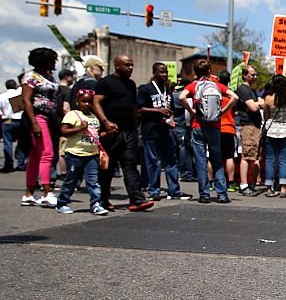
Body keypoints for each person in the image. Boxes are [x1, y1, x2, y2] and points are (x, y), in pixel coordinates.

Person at [93, 54, 153, 212]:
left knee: (130, 165)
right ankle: (103, 200)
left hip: (129, 132)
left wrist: (135, 126)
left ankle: (137, 199)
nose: (130, 68)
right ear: (117, 66)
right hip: (112, 132)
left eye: (132, 65)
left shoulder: (131, 84)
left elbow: (133, 106)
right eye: (127, 65)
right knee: (108, 168)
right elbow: (96, 103)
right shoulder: (105, 83)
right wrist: (105, 122)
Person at [180, 59, 237, 204]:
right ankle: (222, 194)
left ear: (195, 72)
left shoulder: (193, 85)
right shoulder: (218, 86)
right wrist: (223, 110)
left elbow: (181, 97)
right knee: (217, 160)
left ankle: (204, 194)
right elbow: (234, 97)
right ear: (209, 71)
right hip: (215, 126)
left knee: (200, 161)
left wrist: (191, 110)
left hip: (198, 125)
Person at [137, 62, 190, 201]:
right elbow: (139, 109)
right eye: (161, 72)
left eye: (165, 72)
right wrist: (157, 110)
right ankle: (154, 190)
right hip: (150, 130)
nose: (164, 75)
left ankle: (174, 190)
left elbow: (171, 109)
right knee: (153, 161)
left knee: (171, 160)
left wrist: (171, 118)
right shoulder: (146, 89)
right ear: (154, 72)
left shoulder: (167, 90)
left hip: (165, 130)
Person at [54, 89, 107, 215]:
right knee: (71, 179)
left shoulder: (94, 116)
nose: (87, 104)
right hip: (75, 154)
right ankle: (62, 202)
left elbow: (96, 134)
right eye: (84, 101)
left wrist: (105, 134)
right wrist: (80, 128)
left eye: (89, 102)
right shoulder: (73, 115)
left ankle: (96, 203)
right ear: (77, 102)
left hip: (92, 154)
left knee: (93, 181)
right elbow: (64, 131)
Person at [20, 48, 61, 207]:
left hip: (50, 118)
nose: (54, 63)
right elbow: (26, 100)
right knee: (47, 154)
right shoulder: (31, 76)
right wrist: (34, 123)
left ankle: (29, 193)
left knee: (36, 156)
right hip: (37, 117)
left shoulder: (50, 77)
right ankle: (47, 192)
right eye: (52, 60)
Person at [262, 74, 286, 198]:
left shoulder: (269, 98)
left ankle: (269, 188)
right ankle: (283, 188)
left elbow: (266, 116)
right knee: (284, 160)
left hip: (271, 130)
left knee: (270, 159)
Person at [235, 65, 264, 196]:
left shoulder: (251, 90)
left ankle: (250, 183)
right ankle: (244, 184)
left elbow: (259, 103)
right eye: (252, 74)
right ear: (245, 75)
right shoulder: (243, 89)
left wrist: (258, 104)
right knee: (247, 155)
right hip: (248, 126)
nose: (255, 77)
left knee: (254, 155)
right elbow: (253, 107)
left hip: (255, 126)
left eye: (255, 74)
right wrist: (258, 104)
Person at [217, 70, 239, 193]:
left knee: (213, 156)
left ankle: (211, 182)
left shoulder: (215, 94)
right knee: (229, 156)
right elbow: (235, 113)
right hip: (229, 128)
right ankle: (230, 182)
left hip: (216, 127)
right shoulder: (231, 96)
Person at [2, 79, 22, 172]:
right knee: (21, 142)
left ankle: (9, 163)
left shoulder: (2, 96)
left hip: (7, 121)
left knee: (7, 143)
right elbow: (19, 109)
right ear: (15, 85)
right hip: (20, 120)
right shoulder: (18, 95)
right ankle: (21, 163)